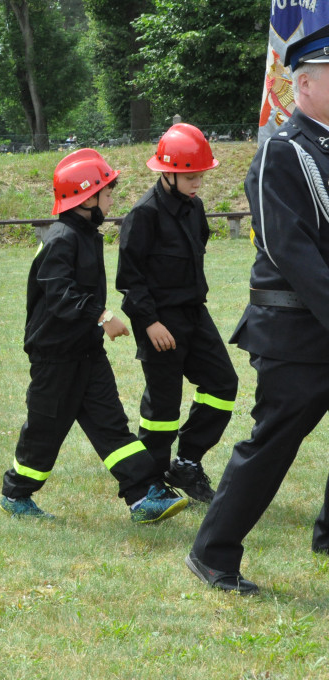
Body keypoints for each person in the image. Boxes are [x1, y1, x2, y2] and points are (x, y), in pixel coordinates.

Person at [187, 26, 329, 595]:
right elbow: (289, 247)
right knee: (272, 443)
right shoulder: (281, 148)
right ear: (307, 84)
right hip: (295, 327)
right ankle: (211, 553)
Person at [0, 149, 188, 523]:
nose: (112, 198)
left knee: (110, 423)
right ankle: (16, 493)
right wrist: (102, 315)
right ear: (87, 198)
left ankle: (141, 497)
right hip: (55, 357)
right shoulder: (62, 239)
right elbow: (59, 293)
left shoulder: (85, 234)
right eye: (107, 192)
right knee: (45, 428)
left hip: (86, 351)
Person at [116, 123, 237, 504]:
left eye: (201, 173)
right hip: (158, 321)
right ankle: (152, 482)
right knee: (162, 408)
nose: (198, 180)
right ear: (166, 173)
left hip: (193, 314)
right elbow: (129, 281)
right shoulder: (143, 215)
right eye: (189, 174)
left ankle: (187, 462)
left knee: (222, 384)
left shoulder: (193, 207)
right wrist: (150, 323)